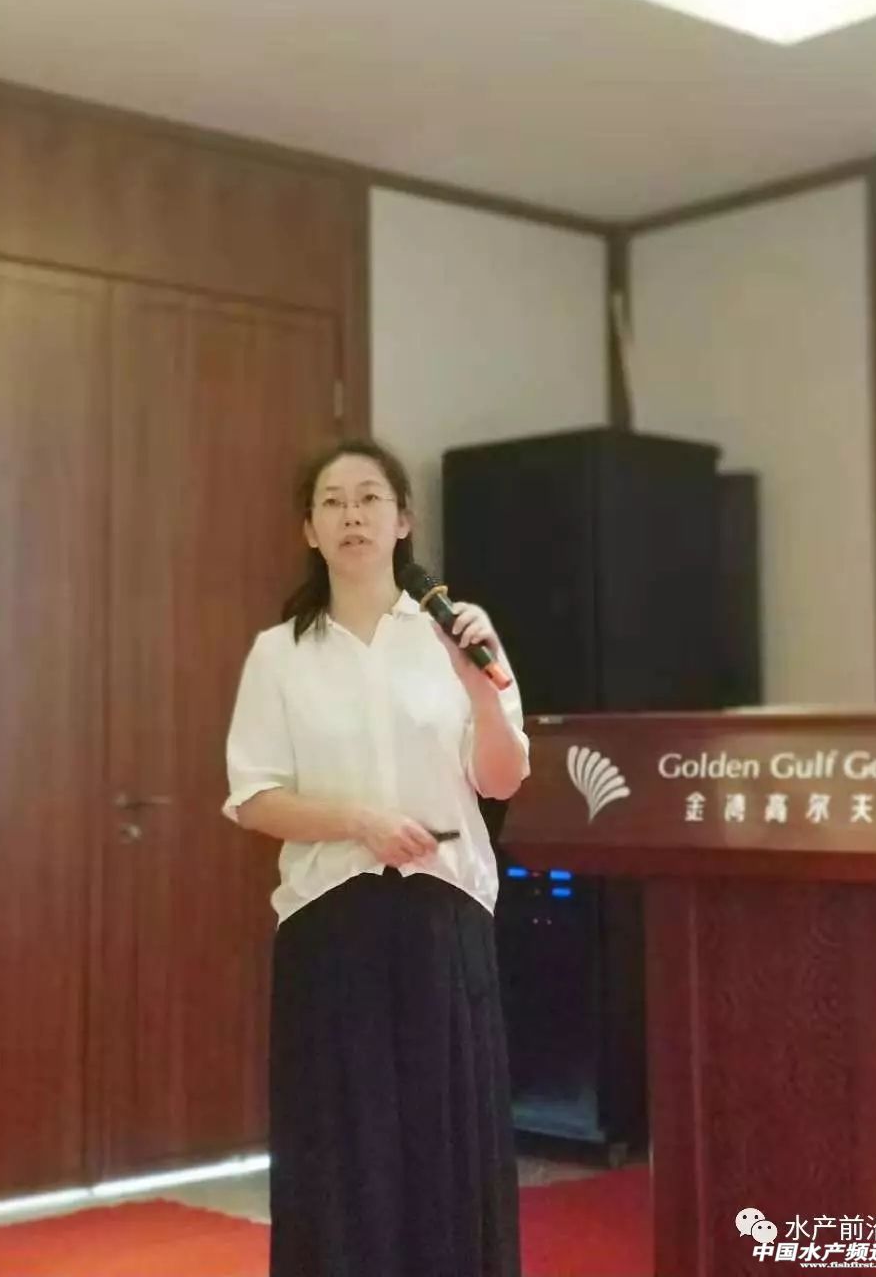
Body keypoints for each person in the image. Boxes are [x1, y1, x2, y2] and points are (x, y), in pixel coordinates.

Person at [224, 436, 530, 1277]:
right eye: (332, 502)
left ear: (403, 520)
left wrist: (481, 690)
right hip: (329, 922)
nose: (352, 515)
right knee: (339, 1147)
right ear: (309, 530)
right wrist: (357, 821)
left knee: (446, 1144)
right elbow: (254, 798)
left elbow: (502, 778)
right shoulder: (279, 653)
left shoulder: (457, 632)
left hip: (444, 912)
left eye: (369, 498)